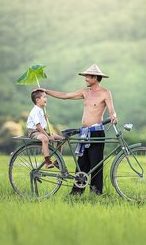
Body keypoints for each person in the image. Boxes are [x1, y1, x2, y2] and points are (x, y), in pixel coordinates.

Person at [39, 63, 118, 195]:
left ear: (95, 78)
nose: (85, 78)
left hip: (97, 132)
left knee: (96, 163)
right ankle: (76, 192)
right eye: (85, 76)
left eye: (88, 76)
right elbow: (65, 95)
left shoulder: (105, 93)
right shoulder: (85, 92)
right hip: (84, 132)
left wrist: (114, 117)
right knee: (82, 163)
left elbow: (112, 110)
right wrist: (46, 91)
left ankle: (96, 192)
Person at [27, 90, 63, 169]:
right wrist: (47, 136)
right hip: (34, 131)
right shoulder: (35, 111)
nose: (46, 98)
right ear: (37, 100)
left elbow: (43, 125)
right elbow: (38, 126)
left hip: (42, 131)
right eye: (44, 97)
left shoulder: (40, 110)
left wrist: (44, 118)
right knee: (45, 139)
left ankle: (57, 161)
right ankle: (47, 161)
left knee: (61, 139)